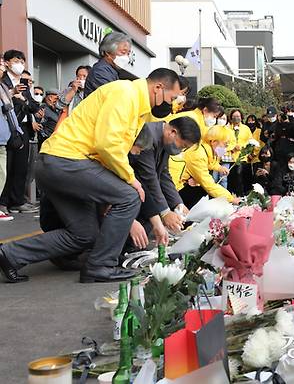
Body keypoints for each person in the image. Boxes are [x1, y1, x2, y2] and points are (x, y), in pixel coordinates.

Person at [0, 68, 185, 284]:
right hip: (66, 161)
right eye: (172, 98)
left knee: (85, 234)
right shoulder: (126, 94)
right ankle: (101, 266)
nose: (171, 105)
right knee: (129, 195)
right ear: (158, 87)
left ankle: (10, 254)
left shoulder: (137, 105)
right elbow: (107, 145)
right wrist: (131, 180)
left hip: (59, 163)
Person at [127, 117, 201, 250]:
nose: (181, 151)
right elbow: (149, 177)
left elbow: (163, 174)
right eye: (183, 146)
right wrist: (165, 212)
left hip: (142, 187)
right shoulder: (149, 135)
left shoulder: (164, 141)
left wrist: (178, 203)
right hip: (131, 185)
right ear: (172, 132)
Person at [0, 57, 40, 214]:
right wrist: (12, 93)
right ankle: (3, 202)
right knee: (6, 167)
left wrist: (22, 97)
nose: (20, 65)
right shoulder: (4, 83)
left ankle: (17, 201)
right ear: (8, 63)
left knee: (21, 167)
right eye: (17, 61)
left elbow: (34, 107)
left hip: (22, 129)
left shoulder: (24, 85)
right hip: (8, 127)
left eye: (22, 62)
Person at [175, 124, 237, 208]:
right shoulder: (199, 154)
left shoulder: (207, 150)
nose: (225, 149)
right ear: (213, 141)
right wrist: (231, 199)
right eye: (225, 145)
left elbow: (211, 162)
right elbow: (208, 185)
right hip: (176, 188)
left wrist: (220, 168)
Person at [84, 32, 132, 97]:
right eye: (123, 52)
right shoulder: (100, 72)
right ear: (108, 52)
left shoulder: (111, 71)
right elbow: (114, 98)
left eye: (128, 54)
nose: (126, 57)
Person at [0, 80, 21, 221]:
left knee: (2, 173)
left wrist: (17, 131)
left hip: (3, 138)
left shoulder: (3, 87)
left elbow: (10, 113)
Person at [223, 109, 255, 196]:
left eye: (238, 116)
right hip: (229, 157)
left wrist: (245, 149)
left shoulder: (245, 128)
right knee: (229, 179)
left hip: (242, 157)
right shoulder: (226, 128)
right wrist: (232, 148)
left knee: (240, 178)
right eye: (234, 116)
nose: (236, 118)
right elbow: (223, 142)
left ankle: (240, 196)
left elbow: (250, 141)